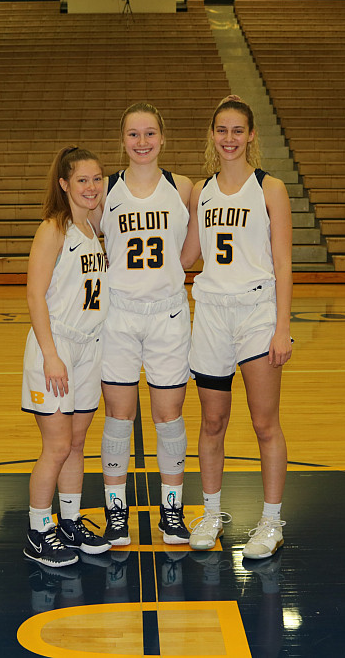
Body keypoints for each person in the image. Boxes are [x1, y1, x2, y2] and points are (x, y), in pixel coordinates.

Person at [180, 95, 294, 560]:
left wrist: (282, 324)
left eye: (237, 131)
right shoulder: (200, 192)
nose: (229, 138)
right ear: (212, 135)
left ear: (250, 136)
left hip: (255, 312)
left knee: (265, 423)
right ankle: (211, 513)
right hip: (209, 312)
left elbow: (284, 263)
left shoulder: (271, 189)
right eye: (221, 130)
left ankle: (271, 521)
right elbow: (187, 258)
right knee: (212, 422)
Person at [94, 102, 195, 546]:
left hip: (169, 314)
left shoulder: (183, 187)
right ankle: (117, 515)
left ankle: (170, 513)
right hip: (117, 314)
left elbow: (191, 251)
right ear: (122, 140)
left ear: (163, 138)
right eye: (133, 134)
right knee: (118, 416)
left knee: (168, 416)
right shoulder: (105, 190)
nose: (141, 142)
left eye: (149, 133)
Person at [22, 146, 113, 567]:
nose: (92, 187)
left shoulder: (94, 228)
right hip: (56, 346)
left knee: (77, 443)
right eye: (82, 180)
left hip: (89, 347)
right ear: (64, 184)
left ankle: (70, 521)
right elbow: (35, 295)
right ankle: (38, 530)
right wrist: (50, 356)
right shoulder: (53, 229)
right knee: (56, 446)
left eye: (97, 178)